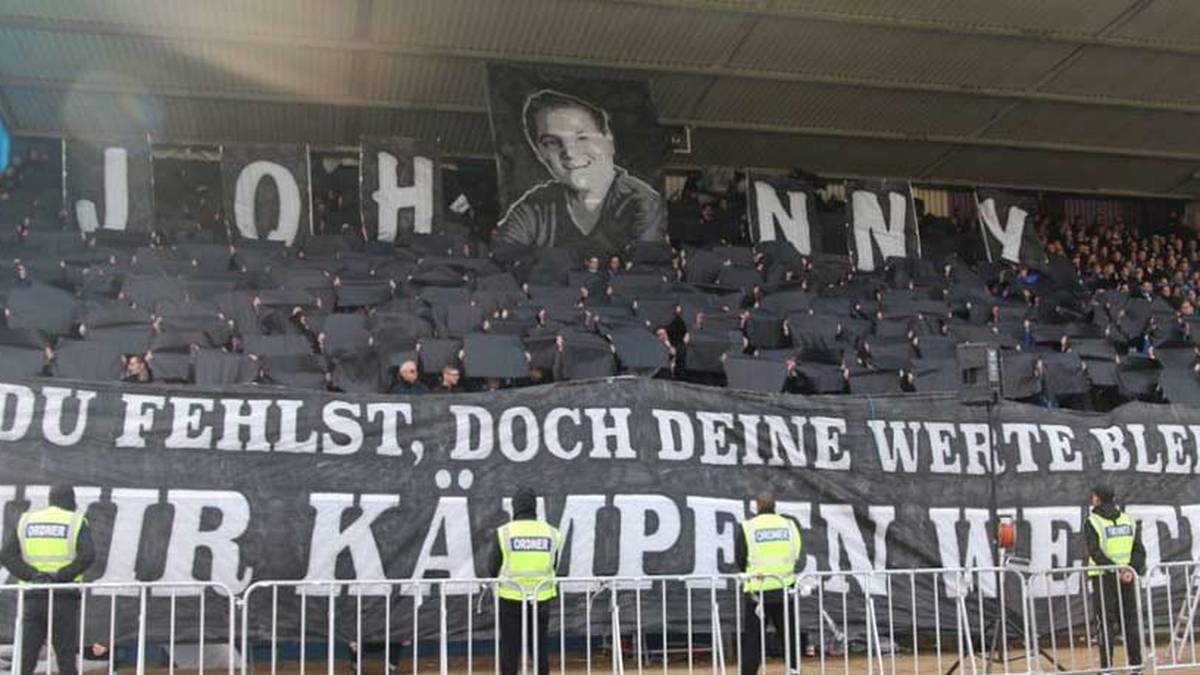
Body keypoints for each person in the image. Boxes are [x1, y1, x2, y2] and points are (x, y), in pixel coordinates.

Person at [495, 89, 666, 255]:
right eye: (551, 142)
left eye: (582, 137)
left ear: (608, 140)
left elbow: (644, 267)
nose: (569, 152)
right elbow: (502, 258)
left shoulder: (642, 202)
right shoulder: (533, 208)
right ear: (539, 152)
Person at [0, 485, 96, 675]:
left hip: (33, 596)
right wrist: (60, 576)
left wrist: (32, 576)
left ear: (50, 500)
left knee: (26, 656)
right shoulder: (75, 520)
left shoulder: (27, 520)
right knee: (66, 657)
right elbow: (87, 556)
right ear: (71, 501)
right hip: (64, 596)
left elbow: (7, 555)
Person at [488, 487, 560, 675]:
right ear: (534, 507)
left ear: (515, 507)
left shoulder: (504, 532)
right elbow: (554, 564)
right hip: (541, 598)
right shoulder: (551, 532)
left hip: (510, 598)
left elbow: (492, 567)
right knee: (539, 649)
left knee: (510, 650)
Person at [735, 495, 803, 675]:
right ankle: (794, 671)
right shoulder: (790, 525)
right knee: (790, 638)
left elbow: (740, 559)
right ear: (775, 506)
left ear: (757, 506)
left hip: (757, 592)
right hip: (785, 589)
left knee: (753, 641)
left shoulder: (748, 527)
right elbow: (797, 554)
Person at [1085, 484, 1145, 674]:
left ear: (1097, 498)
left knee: (1105, 624)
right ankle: (1136, 666)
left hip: (1104, 577)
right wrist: (1129, 570)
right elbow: (1139, 551)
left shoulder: (1093, 521)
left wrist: (1117, 570)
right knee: (1130, 622)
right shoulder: (1128, 520)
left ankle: (1107, 669)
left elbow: (1095, 553)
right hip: (1127, 577)